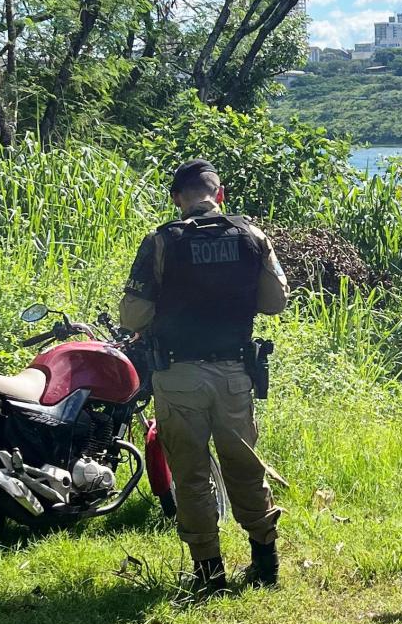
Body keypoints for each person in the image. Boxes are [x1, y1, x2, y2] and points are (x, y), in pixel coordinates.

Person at [119, 159, 288, 596]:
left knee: (191, 475)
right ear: (221, 194)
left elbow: (132, 313)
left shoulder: (160, 241)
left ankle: (209, 575)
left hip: (178, 376)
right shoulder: (251, 235)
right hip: (234, 374)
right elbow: (275, 302)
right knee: (245, 467)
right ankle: (265, 563)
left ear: (178, 198)